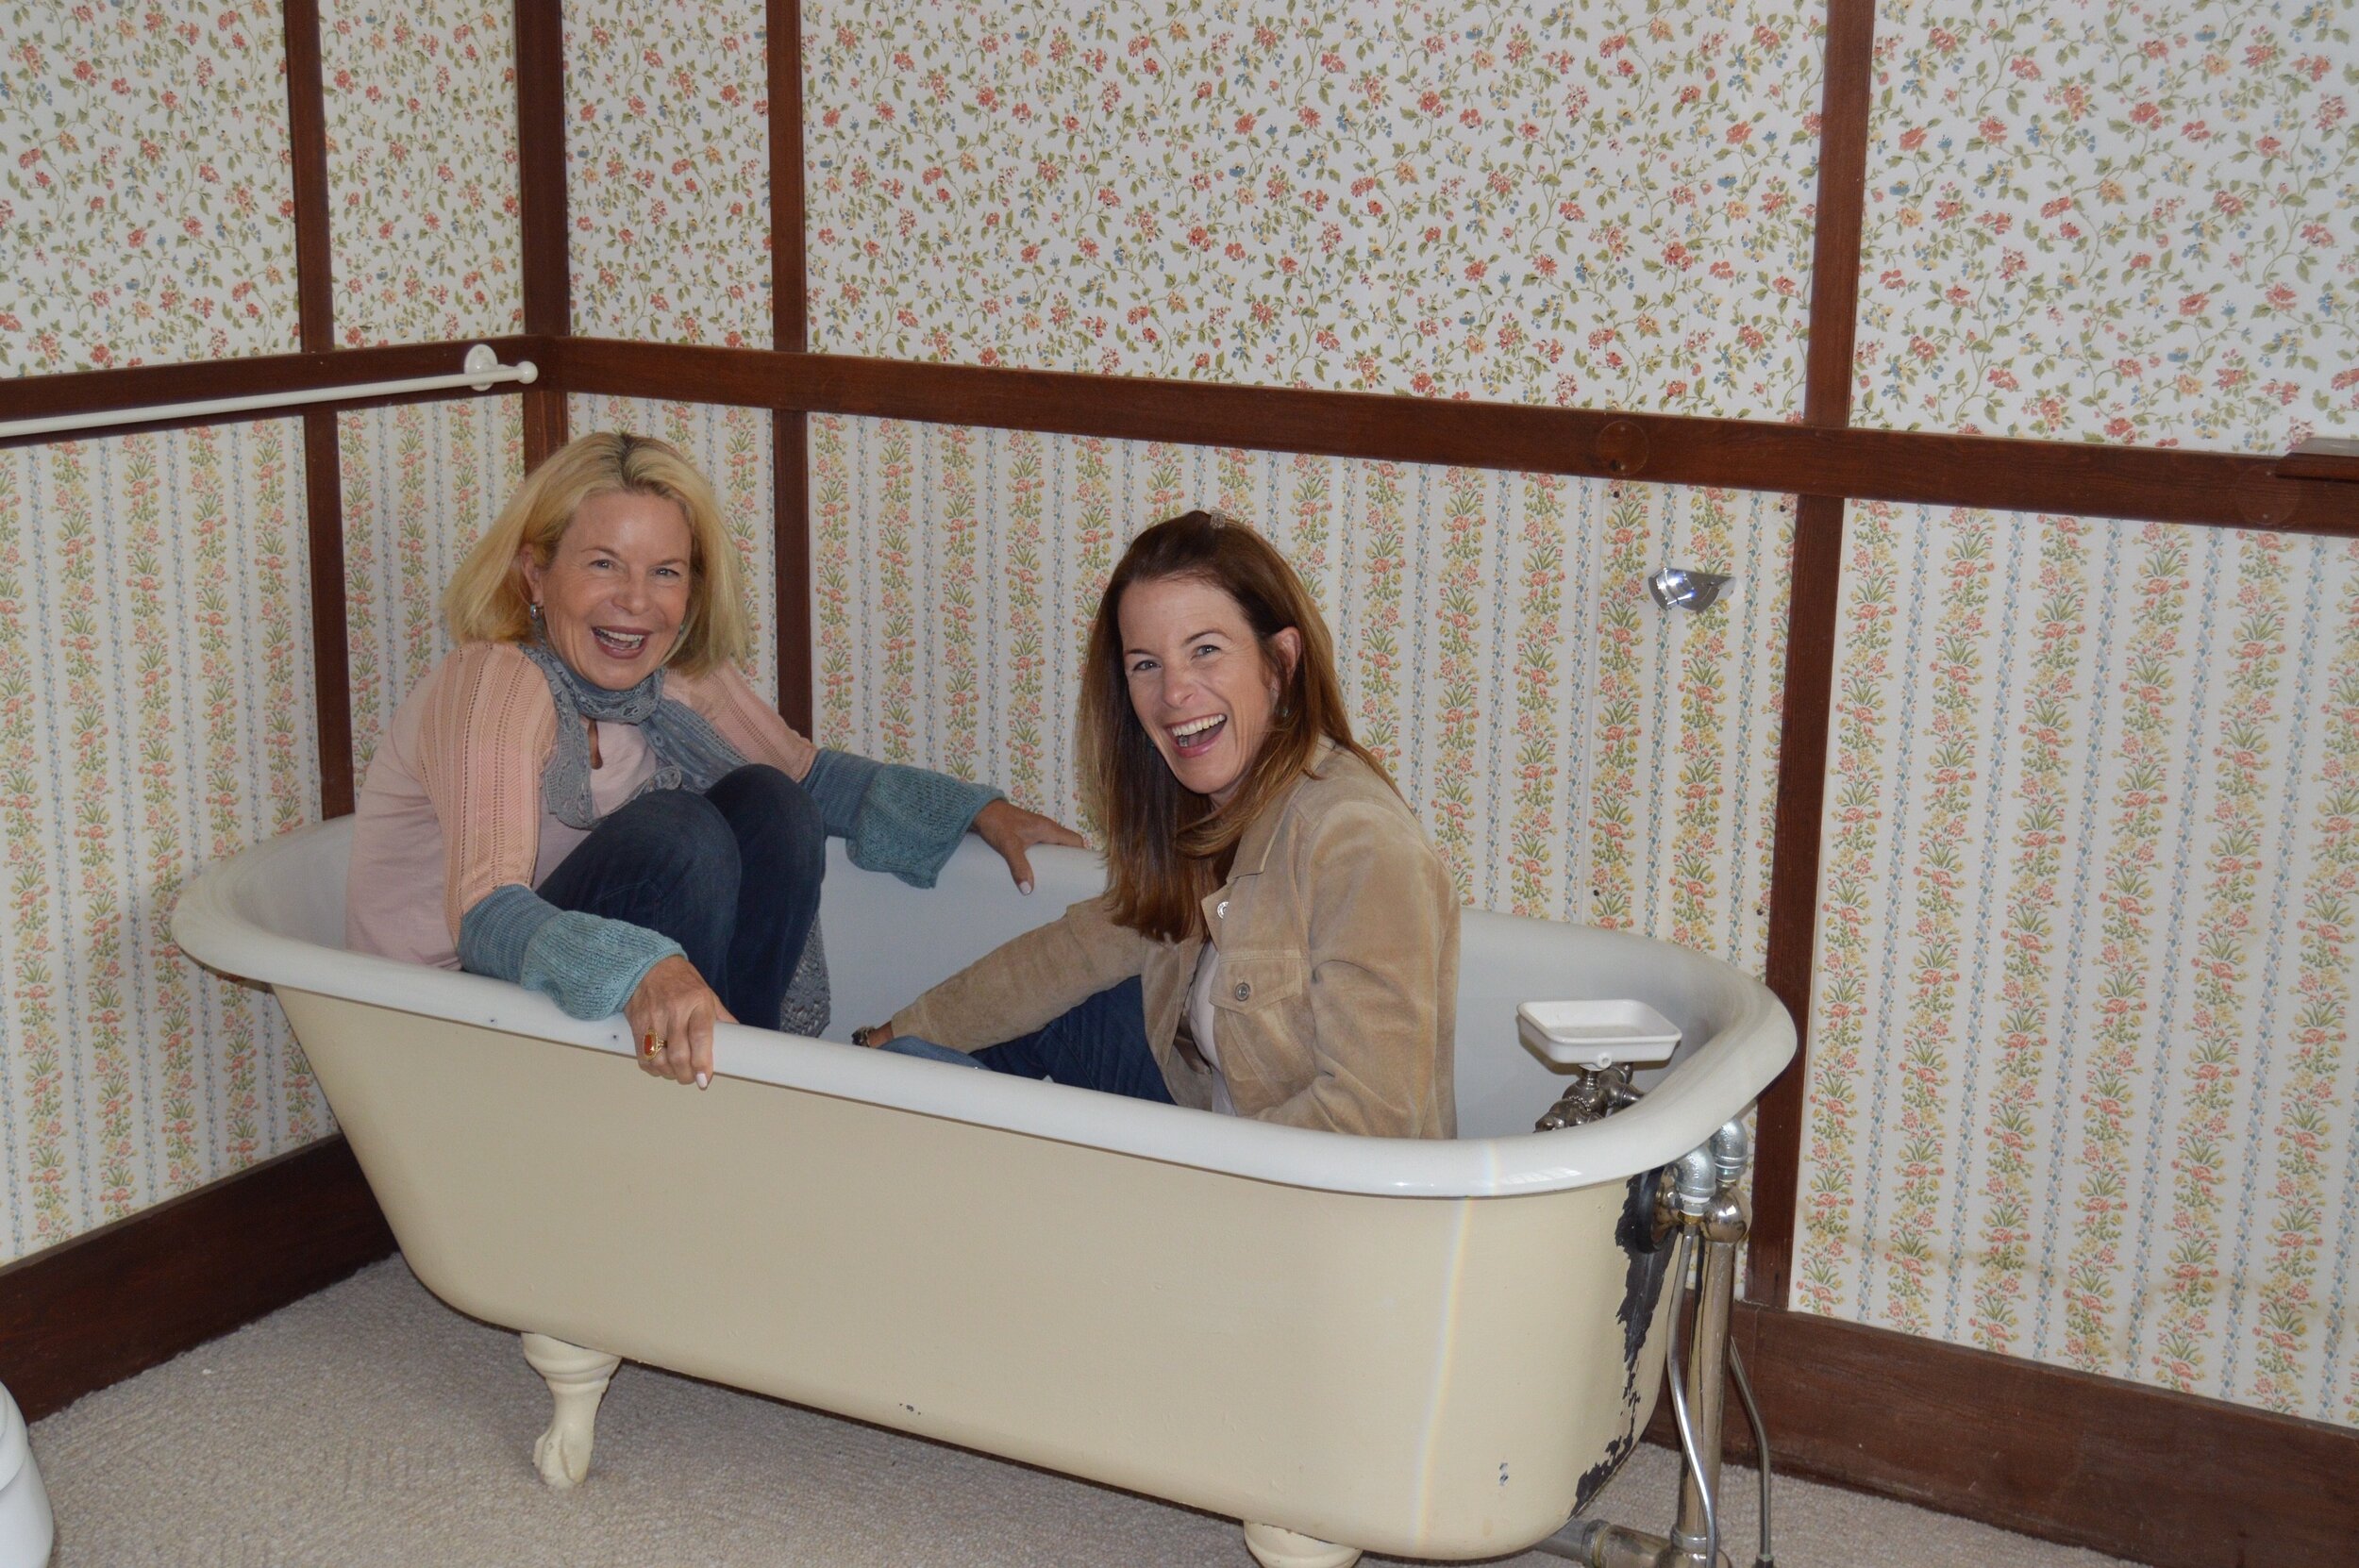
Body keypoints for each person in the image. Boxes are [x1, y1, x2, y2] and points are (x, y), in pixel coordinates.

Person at [345, 431, 1080, 1089]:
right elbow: (485, 913)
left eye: (666, 572)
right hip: (449, 1025)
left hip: (573, 997)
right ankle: (705, 1092)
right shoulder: (493, 682)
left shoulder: (672, 674)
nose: (637, 602)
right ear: (534, 575)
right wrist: (644, 968)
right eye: (604, 564)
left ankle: (737, 1073)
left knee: (769, 802)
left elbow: (807, 779)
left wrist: (970, 809)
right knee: (680, 832)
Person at [856, 510, 1458, 1137]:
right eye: (1146, 664)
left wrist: (1177, 1177)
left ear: (1280, 662)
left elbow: (1373, 1123)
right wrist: (884, 1043)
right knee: (1009, 1026)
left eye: (1205, 651)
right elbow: (1075, 952)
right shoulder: (1212, 816)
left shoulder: (1357, 843)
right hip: (1226, 1140)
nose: (1173, 693)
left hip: (1307, 1205)